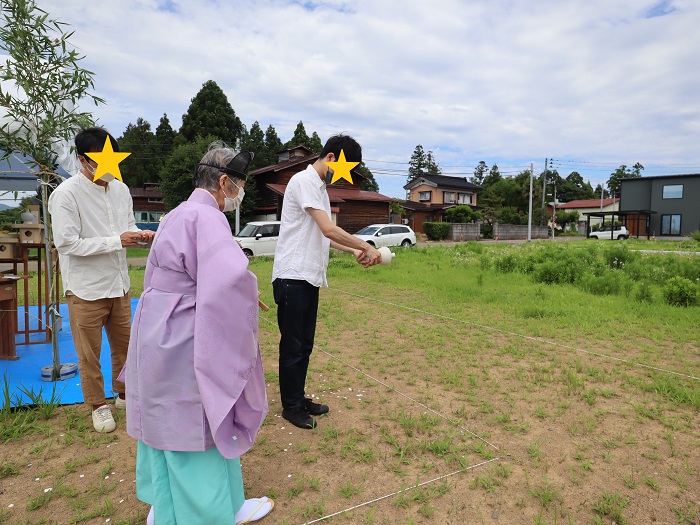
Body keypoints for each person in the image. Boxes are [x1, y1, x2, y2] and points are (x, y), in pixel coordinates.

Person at [123, 141, 273, 525]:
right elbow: (228, 281)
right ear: (224, 182)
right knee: (196, 418)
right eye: (238, 186)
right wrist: (247, 295)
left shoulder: (176, 212)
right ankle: (205, 513)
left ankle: (167, 503)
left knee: (163, 416)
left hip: (156, 324)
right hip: (184, 329)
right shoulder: (207, 218)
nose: (239, 195)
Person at [48, 127, 155, 433]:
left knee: (125, 346)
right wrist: (116, 241)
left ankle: (123, 394)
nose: (108, 168)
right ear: (82, 160)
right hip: (85, 288)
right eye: (99, 160)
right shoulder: (66, 195)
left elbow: (126, 226)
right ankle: (98, 404)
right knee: (89, 353)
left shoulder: (119, 188)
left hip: (118, 283)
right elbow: (67, 245)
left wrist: (138, 234)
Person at [272, 134, 382, 430]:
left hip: (307, 278)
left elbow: (325, 235)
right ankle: (291, 407)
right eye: (347, 168)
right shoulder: (303, 181)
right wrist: (366, 245)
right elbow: (328, 228)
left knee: (304, 345)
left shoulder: (320, 188)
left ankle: (297, 397)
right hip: (292, 277)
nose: (345, 178)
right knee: (293, 346)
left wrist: (357, 249)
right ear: (332, 157)